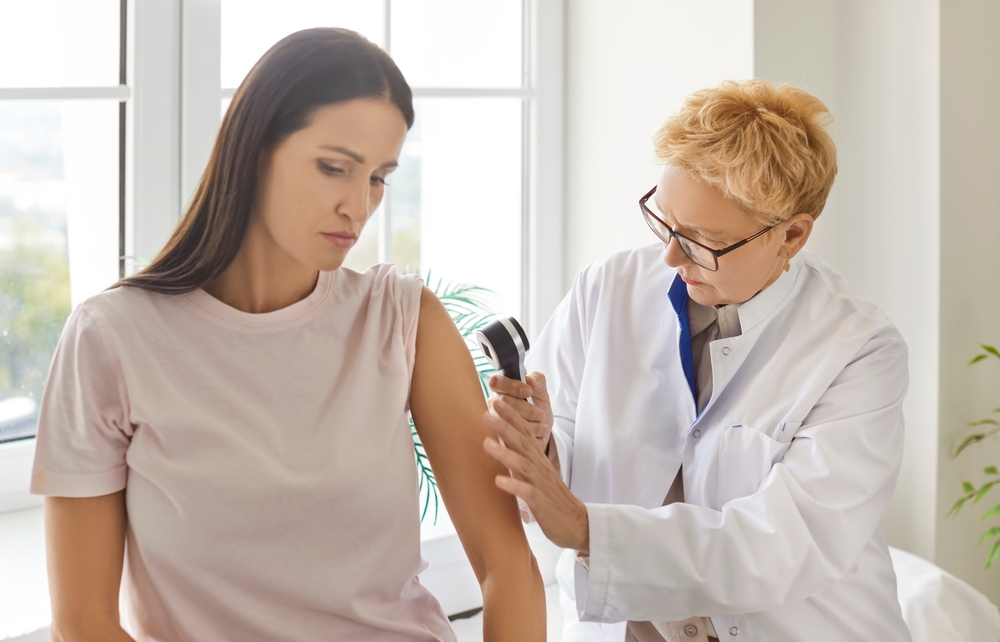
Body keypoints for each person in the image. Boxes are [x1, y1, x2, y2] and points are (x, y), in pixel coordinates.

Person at [31, 28, 545, 641]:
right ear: (252, 149)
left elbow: (506, 564)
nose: (359, 205)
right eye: (334, 168)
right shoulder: (112, 338)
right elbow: (83, 622)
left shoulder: (403, 320)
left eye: (379, 177)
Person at [483, 79, 912, 641]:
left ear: (791, 236)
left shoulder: (857, 349)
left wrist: (588, 530)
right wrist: (542, 442)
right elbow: (567, 434)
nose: (669, 255)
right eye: (664, 221)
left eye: (702, 240)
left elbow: (783, 543)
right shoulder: (609, 287)